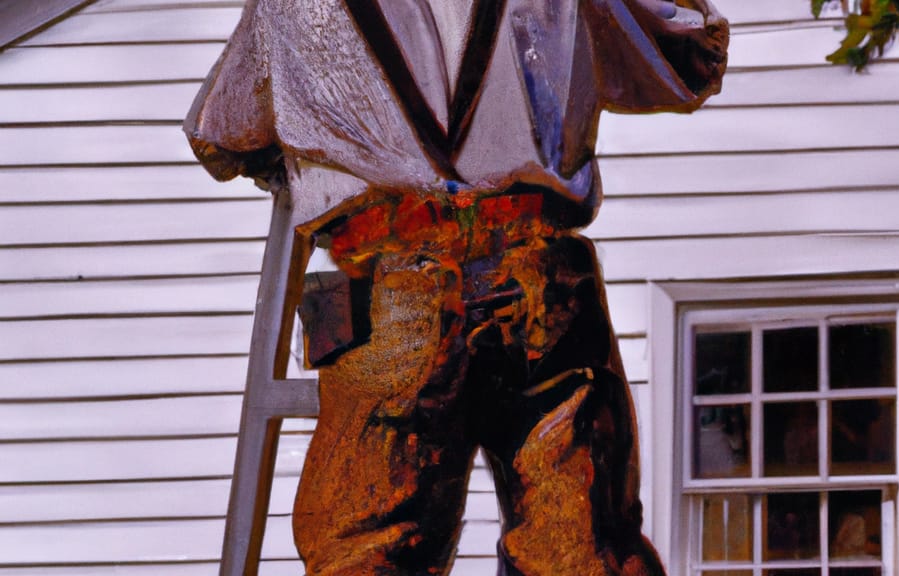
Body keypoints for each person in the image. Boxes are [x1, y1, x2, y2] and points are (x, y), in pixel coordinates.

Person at [185, 1, 728, 574]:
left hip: (383, 279)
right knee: (580, 542)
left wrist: (330, 152)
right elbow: (691, 57)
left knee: (369, 548)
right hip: (537, 274)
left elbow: (222, 136)